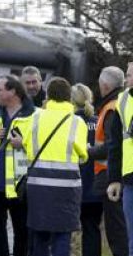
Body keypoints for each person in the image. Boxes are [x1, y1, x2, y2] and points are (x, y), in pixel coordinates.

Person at [11, 77, 88, 256]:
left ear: (48, 95)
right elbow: (83, 155)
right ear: (69, 97)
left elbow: (28, 149)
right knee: (63, 234)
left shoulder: (36, 118)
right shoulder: (77, 122)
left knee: (39, 234)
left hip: (38, 186)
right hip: (67, 188)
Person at [0, 74, 34, 256]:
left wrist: (24, 143)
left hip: (20, 185)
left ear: (13, 92)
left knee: (22, 232)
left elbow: (42, 145)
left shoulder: (34, 115)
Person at [89, 66, 129, 256]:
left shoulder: (112, 108)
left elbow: (112, 145)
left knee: (117, 230)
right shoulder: (120, 104)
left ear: (104, 85)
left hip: (111, 175)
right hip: (118, 174)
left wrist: (89, 151)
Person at [71, 83, 102, 256]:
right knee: (92, 229)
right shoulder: (99, 122)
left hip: (73, 186)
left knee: (64, 233)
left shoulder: (69, 123)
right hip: (96, 186)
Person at [106, 71, 133, 256]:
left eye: (130, 75)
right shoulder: (122, 100)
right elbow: (114, 143)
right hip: (130, 177)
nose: (126, 79)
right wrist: (114, 179)